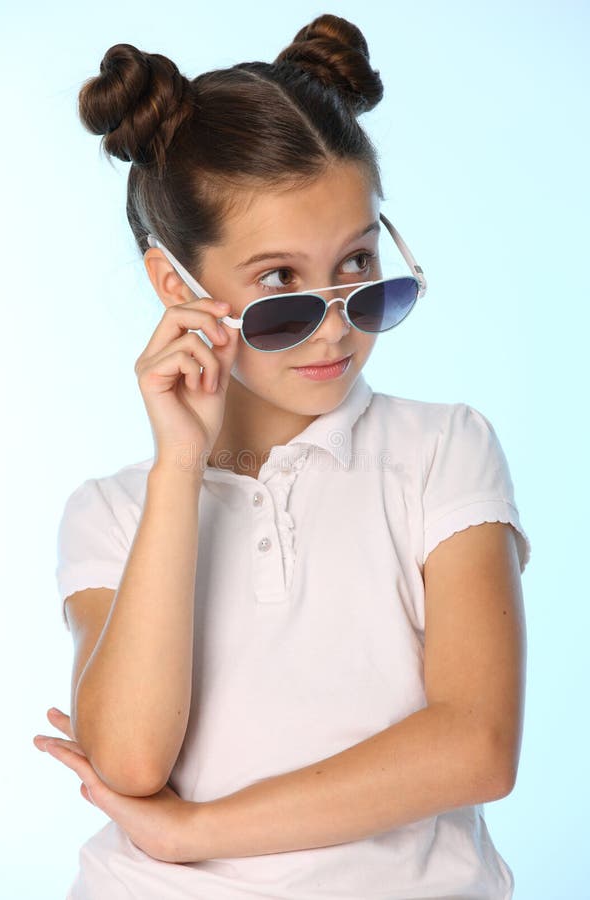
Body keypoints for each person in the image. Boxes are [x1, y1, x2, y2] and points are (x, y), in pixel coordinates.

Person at [33, 13, 531, 900]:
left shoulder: (441, 451)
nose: (335, 322)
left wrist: (199, 831)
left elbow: (477, 747)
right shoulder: (114, 512)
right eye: (277, 286)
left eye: (358, 265)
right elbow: (130, 761)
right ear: (173, 286)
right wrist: (178, 470)